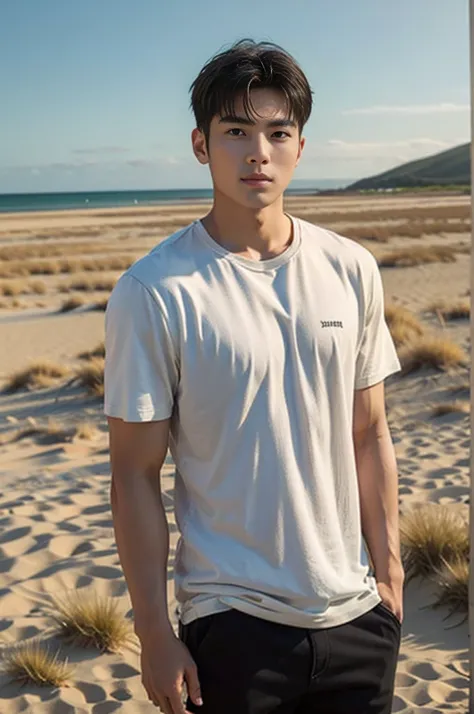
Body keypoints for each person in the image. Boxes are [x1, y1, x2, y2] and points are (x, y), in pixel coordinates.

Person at [104, 38, 404, 714]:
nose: (256, 152)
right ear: (200, 144)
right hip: (234, 627)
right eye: (235, 131)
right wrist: (154, 633)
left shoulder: (351, 268)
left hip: (359, 617)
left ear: (300, 145)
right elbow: (132, 474)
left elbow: (370, 431)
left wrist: (389, 572)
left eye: (276, 132)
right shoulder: (153, 290)